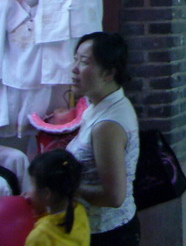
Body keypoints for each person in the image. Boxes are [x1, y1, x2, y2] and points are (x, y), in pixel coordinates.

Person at [67, 32, 140, 246]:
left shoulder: (107, 125)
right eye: (75, 59)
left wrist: (65, 187)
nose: (74, 69)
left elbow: (114, 197)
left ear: (108, 73)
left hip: (107, 235)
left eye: (84, 62)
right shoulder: (99, 104)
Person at [26, 149, 90, 246]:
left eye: (32, 185)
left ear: (46, 193)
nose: (28, 193)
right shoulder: (79, 209)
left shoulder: (40, 236)